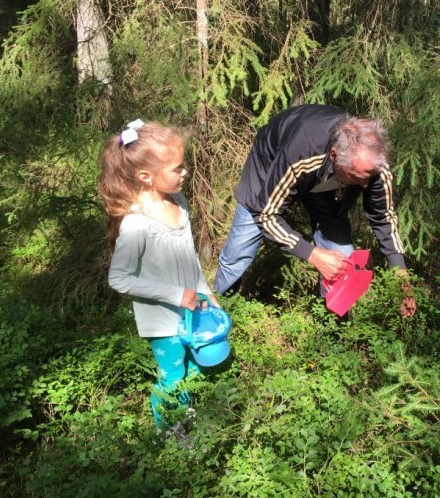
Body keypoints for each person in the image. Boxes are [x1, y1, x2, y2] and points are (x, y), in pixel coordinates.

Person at [214, 104, 416, 317]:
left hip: (328, 181)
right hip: (272, 161)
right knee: (240, 250)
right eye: (357, 177)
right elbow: (266, 215)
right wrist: (313, 254)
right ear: (334, 155)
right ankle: (216, 312)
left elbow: (383, 218)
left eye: (369, 176)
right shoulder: (301, 154)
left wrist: (402, 278)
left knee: (343, 259)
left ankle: (332, 331)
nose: (365, 185)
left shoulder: (373, 167)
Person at [98, 119, 220, 431]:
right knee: (173, 374)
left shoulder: (178, 203)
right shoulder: (137, 223)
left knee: (195, 368)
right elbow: (120, 279)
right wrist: (175, 294)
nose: (185, 173)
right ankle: (171, 436)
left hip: (192, 308)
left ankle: (189, 419)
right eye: (177, 168)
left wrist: (206, 292)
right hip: (161, 318)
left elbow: (189, 257)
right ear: (145, 176)